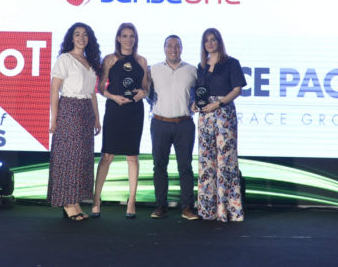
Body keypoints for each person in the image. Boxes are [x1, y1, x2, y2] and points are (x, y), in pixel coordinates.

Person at [93, 23, 149, 219]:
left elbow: (145, 87)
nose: (128, 39)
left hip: (134, 111)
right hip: (115, 109)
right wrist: (114, 97)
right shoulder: (110, 59)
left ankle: (131, 201)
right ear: (118, 38)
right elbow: (100, 87)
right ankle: (96, 199)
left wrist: (143, 93)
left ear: (135, 39)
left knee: (132, 156)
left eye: (131, 36)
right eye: (124, 36)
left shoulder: (141, 61)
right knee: (107, 155)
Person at [47, 22, 102, 221]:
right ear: (71, 38)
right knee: (69, 158)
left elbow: (93, 93)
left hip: (86, 110)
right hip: (70, 109)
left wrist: (97, 118)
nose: (81, 38)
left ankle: (75, 201)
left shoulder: (89, 61)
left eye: (85, 34)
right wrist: (54, 119)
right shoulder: (65, 59)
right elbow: (55, 89)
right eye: (77, 34)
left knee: (81, 159)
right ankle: (68, 203)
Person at [192, 28, 247, 222]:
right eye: (206, 40)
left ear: (219, 42)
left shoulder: (231, 63)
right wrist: (195, 102)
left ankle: (228, 210)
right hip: (205, 116)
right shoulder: (201, 66)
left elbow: (237, 89)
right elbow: (200, 90)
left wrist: (219, 103)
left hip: (224, 113)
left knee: (226, 160)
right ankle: (208, 210)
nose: (210, 43)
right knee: (206, 161)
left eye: (213, 39)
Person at [148, 35, 200, 220]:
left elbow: (201, 93)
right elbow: (146, 93)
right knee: (159, 166)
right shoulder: (153, 70)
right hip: (160, 123)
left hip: (184, 124)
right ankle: (160, 206)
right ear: (164, 48)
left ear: (181, 49)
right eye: (169, 46)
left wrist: (196, 102)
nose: (173, 49)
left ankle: (187, 208)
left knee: (185, 167)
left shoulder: (192, 70)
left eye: (177, 46)